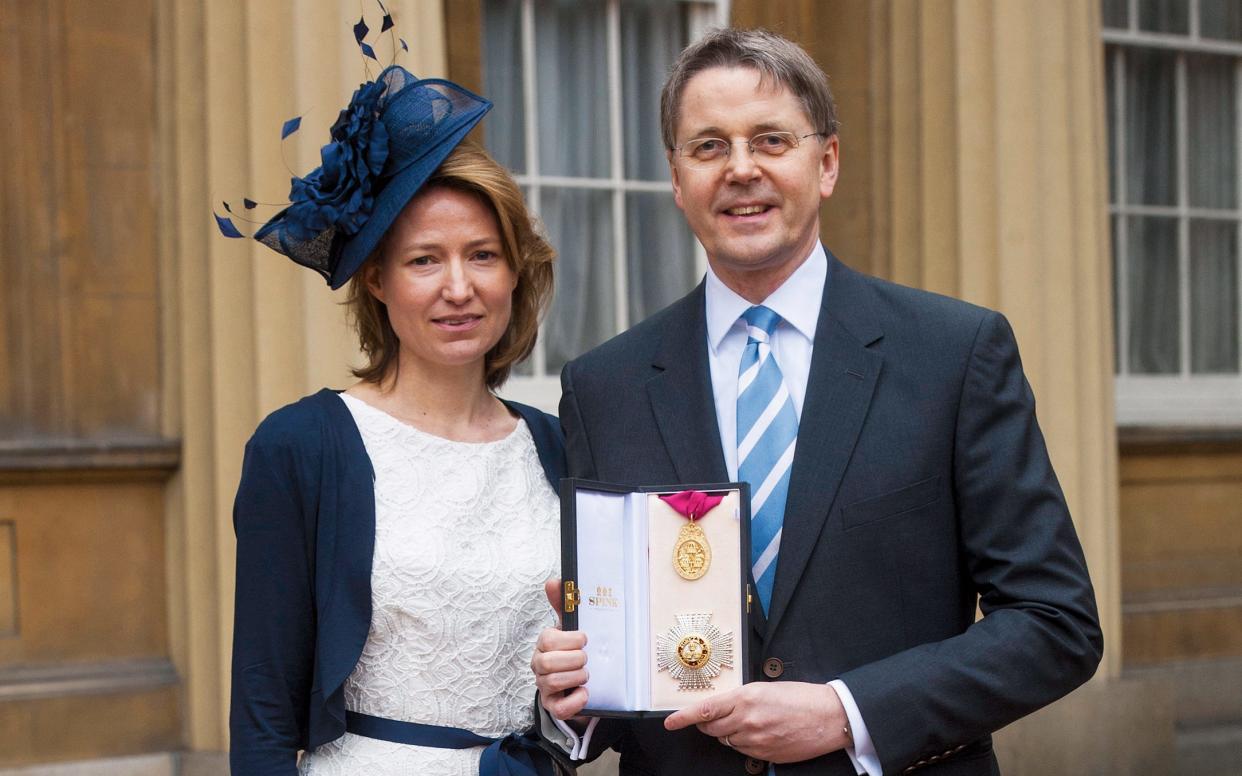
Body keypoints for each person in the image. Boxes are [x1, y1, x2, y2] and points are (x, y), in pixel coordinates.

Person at [533, 27, 1102, 775]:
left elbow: (1055, 623)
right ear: (676, 178)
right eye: (708, 147)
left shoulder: (954, 356)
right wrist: (572, 698)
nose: (742, 170)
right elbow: (619, 689)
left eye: (771, 139)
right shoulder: (605, 385)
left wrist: (847, 713)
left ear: (826, 162)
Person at [228, 63, 572, 776]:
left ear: (515, 272)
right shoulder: (302, 447)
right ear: (378, 280)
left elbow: (583, 688)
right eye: (424, 260)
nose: (459, 287)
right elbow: (263, 709)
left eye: (482, 255)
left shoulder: (557, 447)